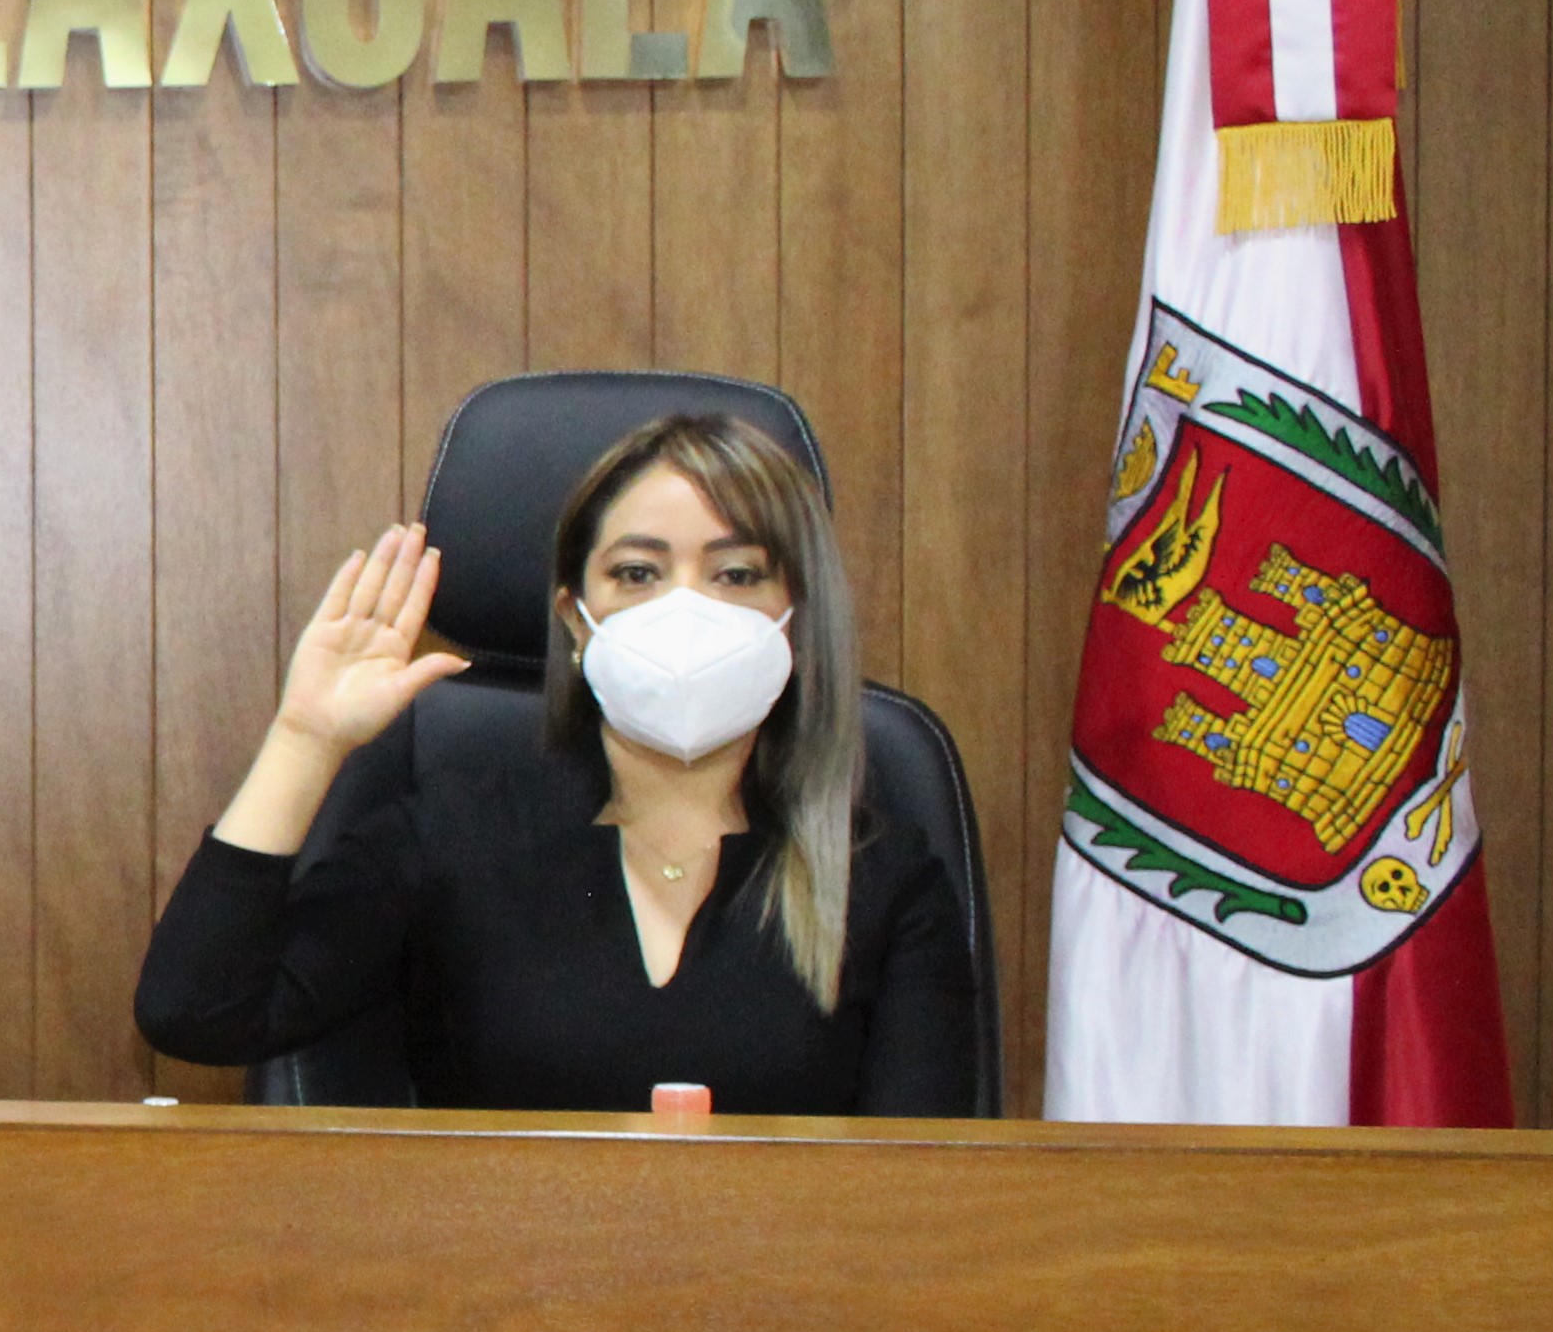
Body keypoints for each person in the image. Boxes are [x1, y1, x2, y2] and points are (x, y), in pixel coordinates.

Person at [132, 408, 978, 1115]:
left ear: (792, 617)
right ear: (577, 620)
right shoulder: (451, 837)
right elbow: (197, 1012)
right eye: (638, 572)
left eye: (735, 574)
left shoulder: (884, 880)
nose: (685, 608)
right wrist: (305, 739)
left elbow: (923, 1193)